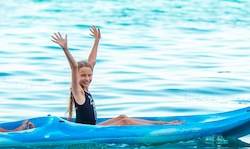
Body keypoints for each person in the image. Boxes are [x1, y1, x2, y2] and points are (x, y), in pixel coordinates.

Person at [51, 26, 182, 126]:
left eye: (89, 75)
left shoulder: (85, 89)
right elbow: (74, 67)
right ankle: (164, 126)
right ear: (77, 77)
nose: (87, 78)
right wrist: (65, 49)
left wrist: (97, 41)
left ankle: (161, 124)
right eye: (83, 76)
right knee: (124, 121)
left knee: (122, 117)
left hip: (92, 127)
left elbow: (92, 62)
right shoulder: (77, 91)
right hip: (86, 131)